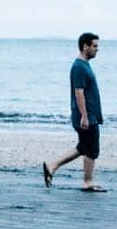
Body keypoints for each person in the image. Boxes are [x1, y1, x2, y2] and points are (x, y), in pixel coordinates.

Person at [43, 32, 105, 192]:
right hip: (85, 115)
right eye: (95, 46)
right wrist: (84, 116)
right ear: (85, 46)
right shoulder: (78, 66)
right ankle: (87, 181)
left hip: (89, 114)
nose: (97, 49)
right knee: (91, 148)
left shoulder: (84, 65)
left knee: (84, 147)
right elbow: (79, 92)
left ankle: (52, 166)